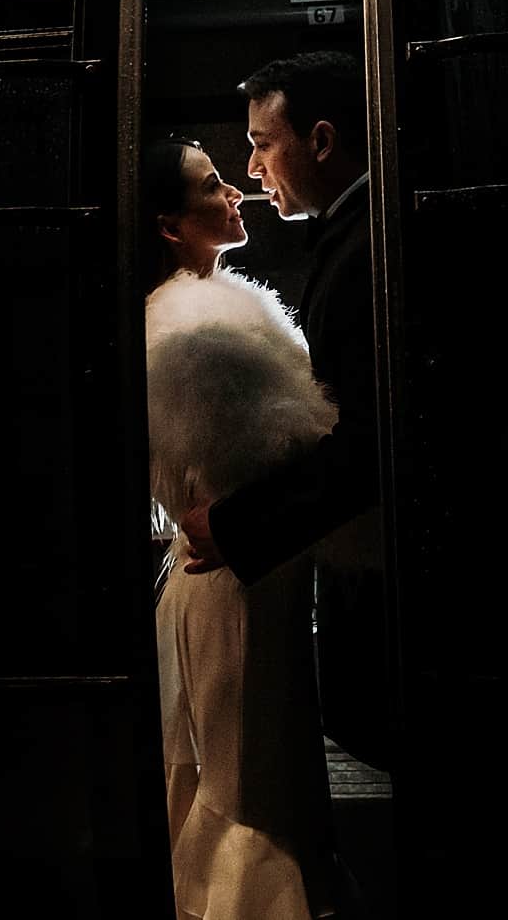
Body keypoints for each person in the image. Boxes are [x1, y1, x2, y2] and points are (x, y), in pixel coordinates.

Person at [142, 137, 341, 920]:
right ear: (169, 223)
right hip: (232, 583)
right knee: (251, 779)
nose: (237, 189)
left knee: (247, 769)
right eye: (213, 183)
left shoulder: (207, 314)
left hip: (249, 572)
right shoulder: (195, 331)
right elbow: (271, 459)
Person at [176, 50, 391, 771]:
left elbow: (371, 442)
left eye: (263, 144)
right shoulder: (359, 232)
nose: (252, 170)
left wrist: (239, 523)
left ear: (322, 141)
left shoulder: (365, 246)